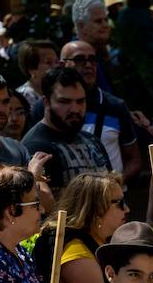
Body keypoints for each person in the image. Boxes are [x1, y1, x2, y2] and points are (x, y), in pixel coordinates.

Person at [34, 171, 127, 283]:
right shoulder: (74, 247)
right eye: (120, 203)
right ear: (96, 208)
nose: (127, 209)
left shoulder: (101, 238)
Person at [61, 41, 142, 182]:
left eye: (92, 59)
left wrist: (114, 183)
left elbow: (134, 160)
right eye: (80, 59)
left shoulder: (115, 106)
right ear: (62, 65)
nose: (88, 65)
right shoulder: (47, 108)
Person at [22, 68, 112, 192]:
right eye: (64, 102)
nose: (75, 109)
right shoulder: (36, 147)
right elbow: (44, 205)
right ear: (46, 102)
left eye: (80, 101)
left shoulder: (92, 141)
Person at [16, 39, 59, 120]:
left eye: (56, 62)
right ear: (31, 69)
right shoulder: (22, 98)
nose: (56, 67)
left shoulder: (58, 91)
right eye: (48, 62)